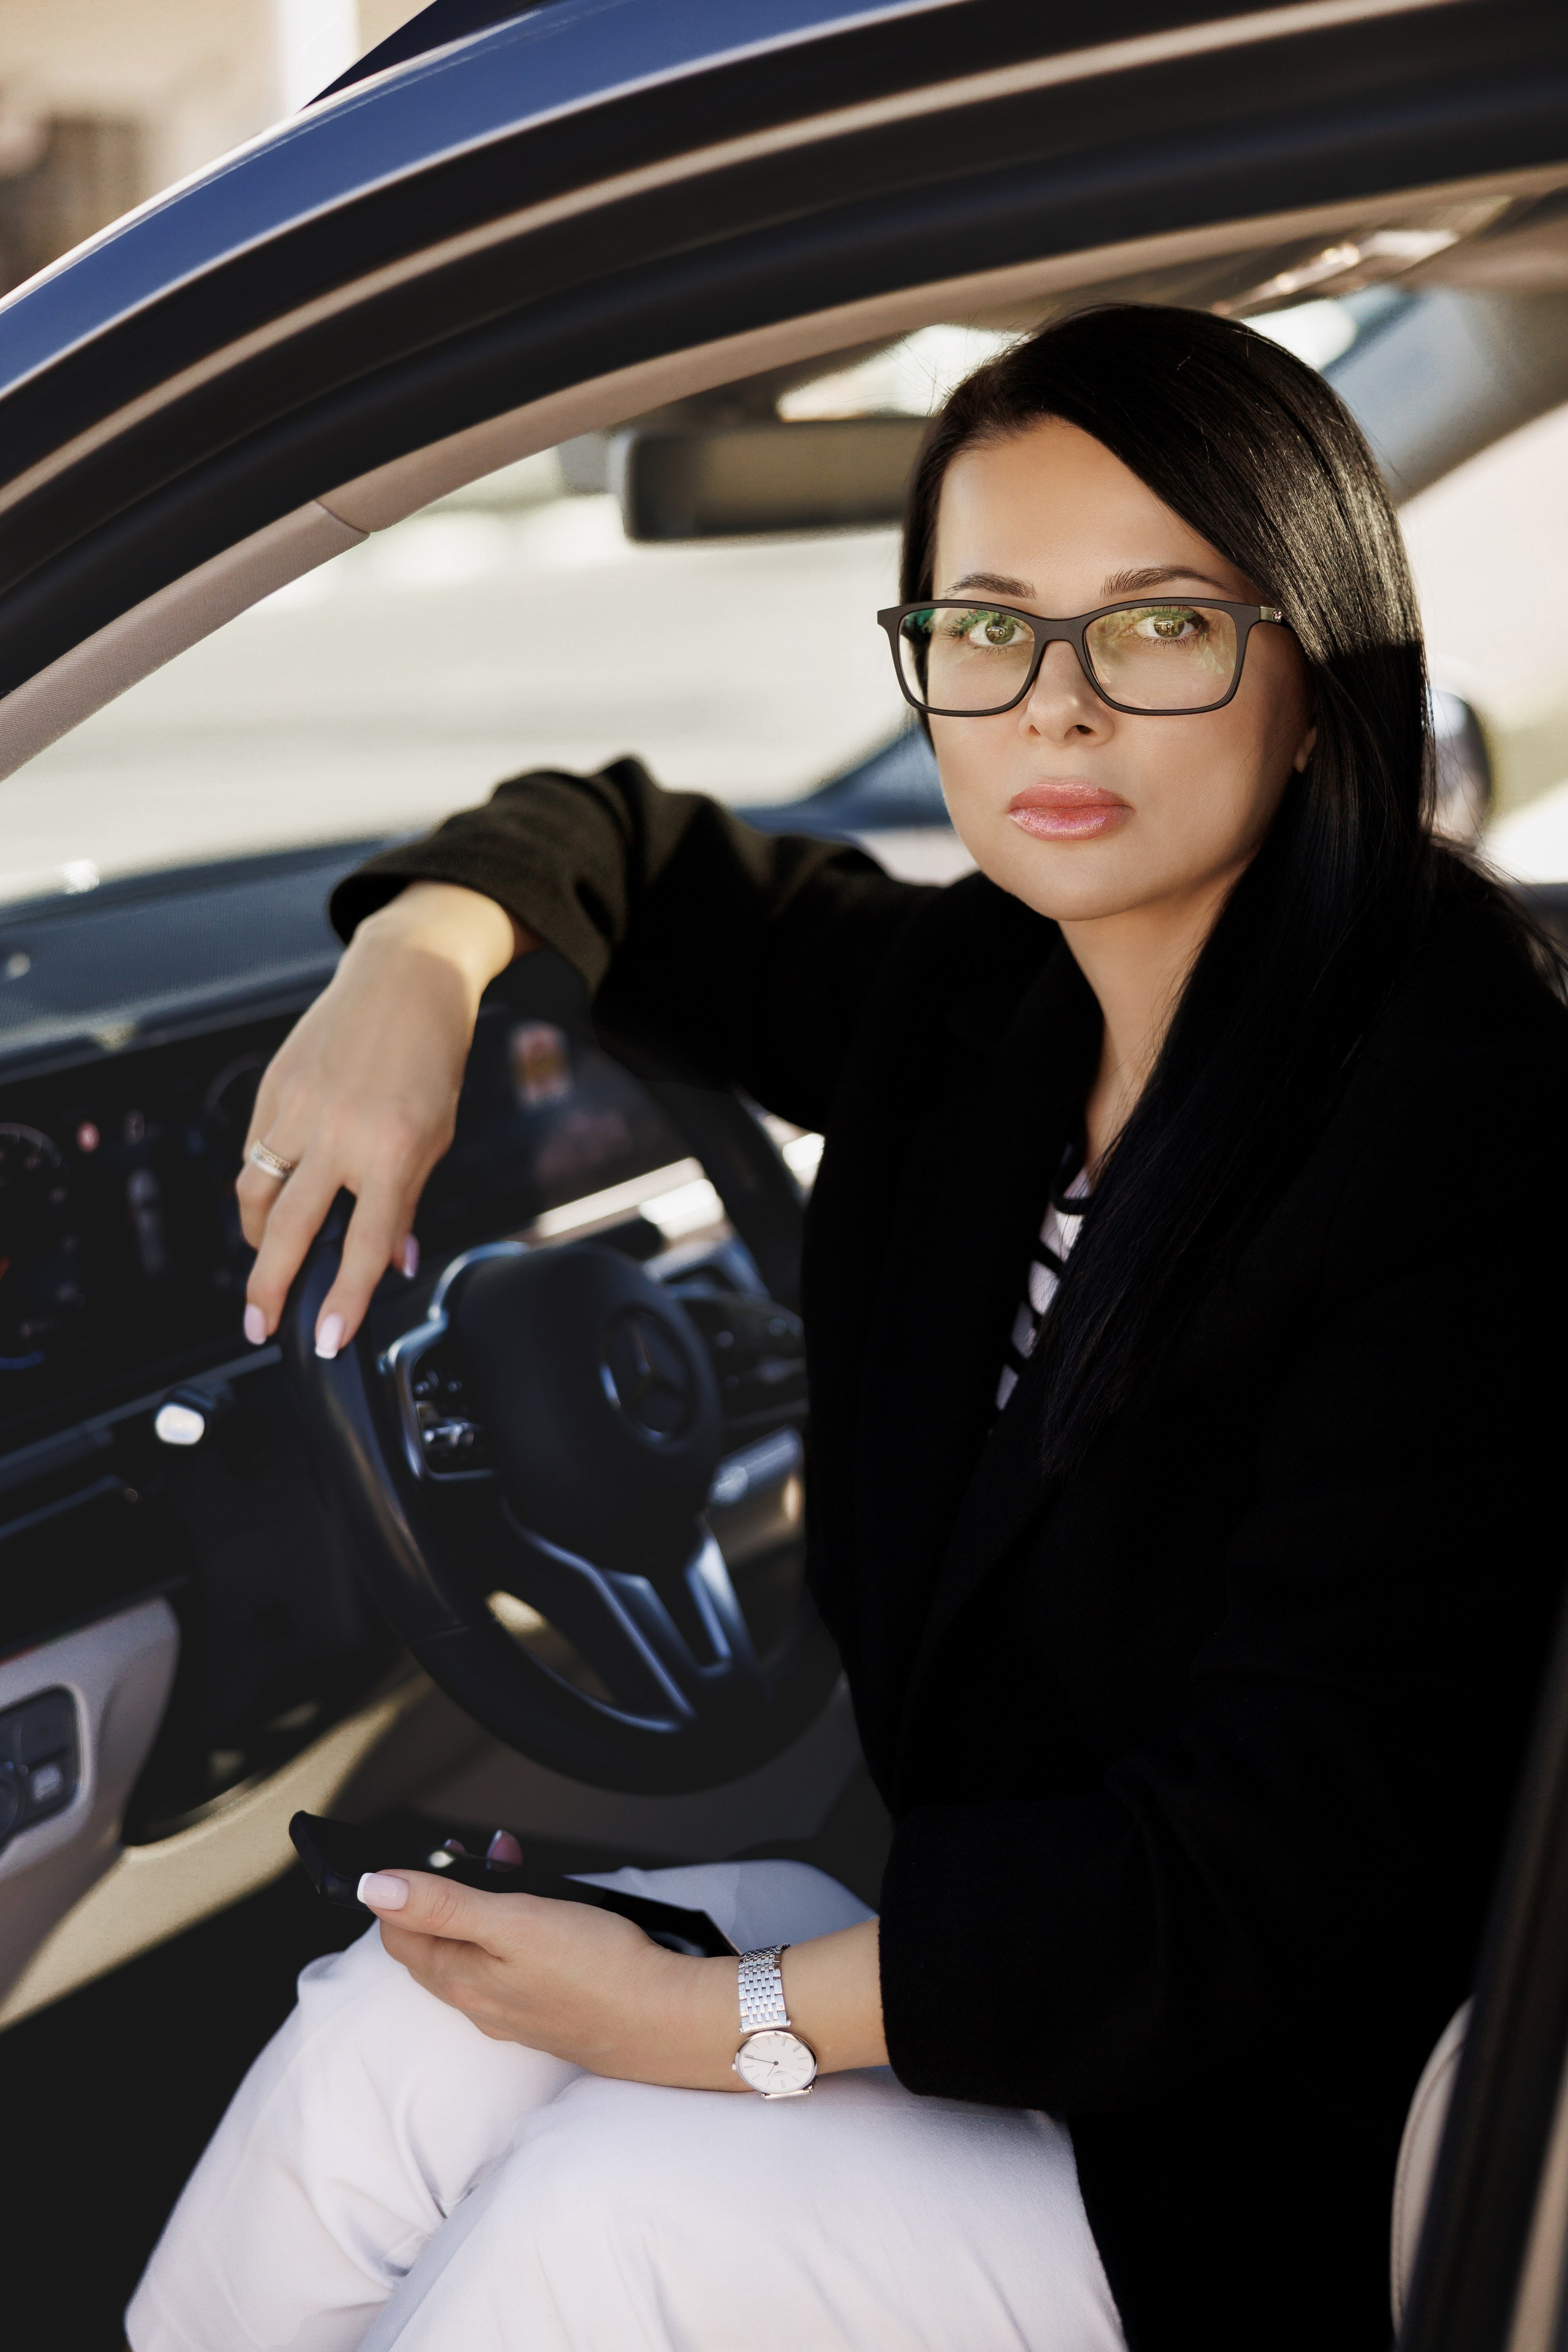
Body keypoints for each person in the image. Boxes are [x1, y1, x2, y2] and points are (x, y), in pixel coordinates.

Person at [127, 305, 1568, 2352]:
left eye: (1159, 630)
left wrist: (721, 2021)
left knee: (604, 2211)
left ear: (1319, 682)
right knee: (392, 2036)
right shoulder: (990, 994)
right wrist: (417, 972)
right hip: (989, 1966)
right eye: (985, 628)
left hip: (1283, 2135)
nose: (1051, 712)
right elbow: (620, 849)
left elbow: (1271, 1869)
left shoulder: (1463, 1120)